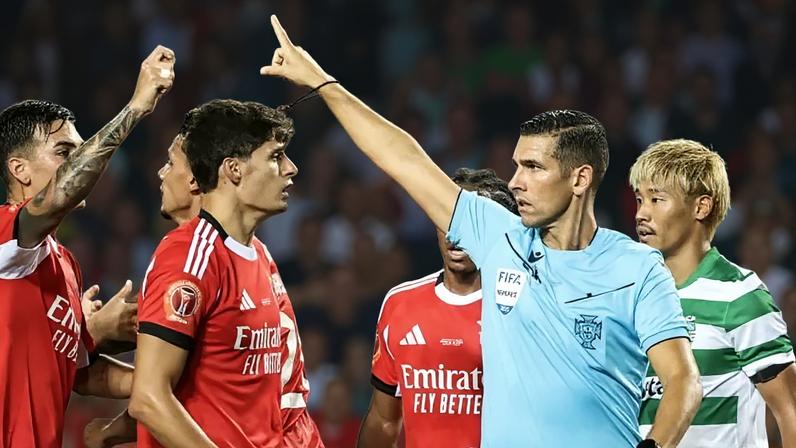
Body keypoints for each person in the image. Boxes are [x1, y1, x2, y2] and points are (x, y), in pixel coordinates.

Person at [261, 15, 702, 448]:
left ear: (580, 179)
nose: (514, 182)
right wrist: (322, 83)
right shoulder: (498, 236)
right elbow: (403, 158)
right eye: (516, 165)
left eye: (533, 167)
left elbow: (683, 383)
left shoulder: (637, 267)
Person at [86, 125, 323, 447]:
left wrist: (90, 336)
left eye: (171, 163)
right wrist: (88, 335)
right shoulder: (211, 257)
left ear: (197, 179)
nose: (160, 172)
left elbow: (216, 384)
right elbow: (162, 389)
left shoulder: (225, 256)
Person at [0, 45, 175, 447]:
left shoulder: (64, 263)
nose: (80, 162)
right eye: (65, 152)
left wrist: (155, 379)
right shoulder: (5, 235)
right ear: (19, 168)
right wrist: (136, 108)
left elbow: (76, 373)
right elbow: (58, 197)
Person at [129, 99, 304, 447]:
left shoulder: (259, 253)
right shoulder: (190, 256)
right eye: (275, 156)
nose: (291, 168)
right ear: (234, 170)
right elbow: (148, 398)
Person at [631, 139, 796, 447]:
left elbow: (790, 411)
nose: (642, 214)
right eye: (640, 200)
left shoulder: (740, 295)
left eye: (657, 200)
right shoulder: (631, 296)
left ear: (701, 206)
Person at [358, 168, 517, 447]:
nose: (455, 236)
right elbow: (383, 420)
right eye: (446, 218)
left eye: (470, 223)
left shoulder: (519, 308)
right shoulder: (400, 303)